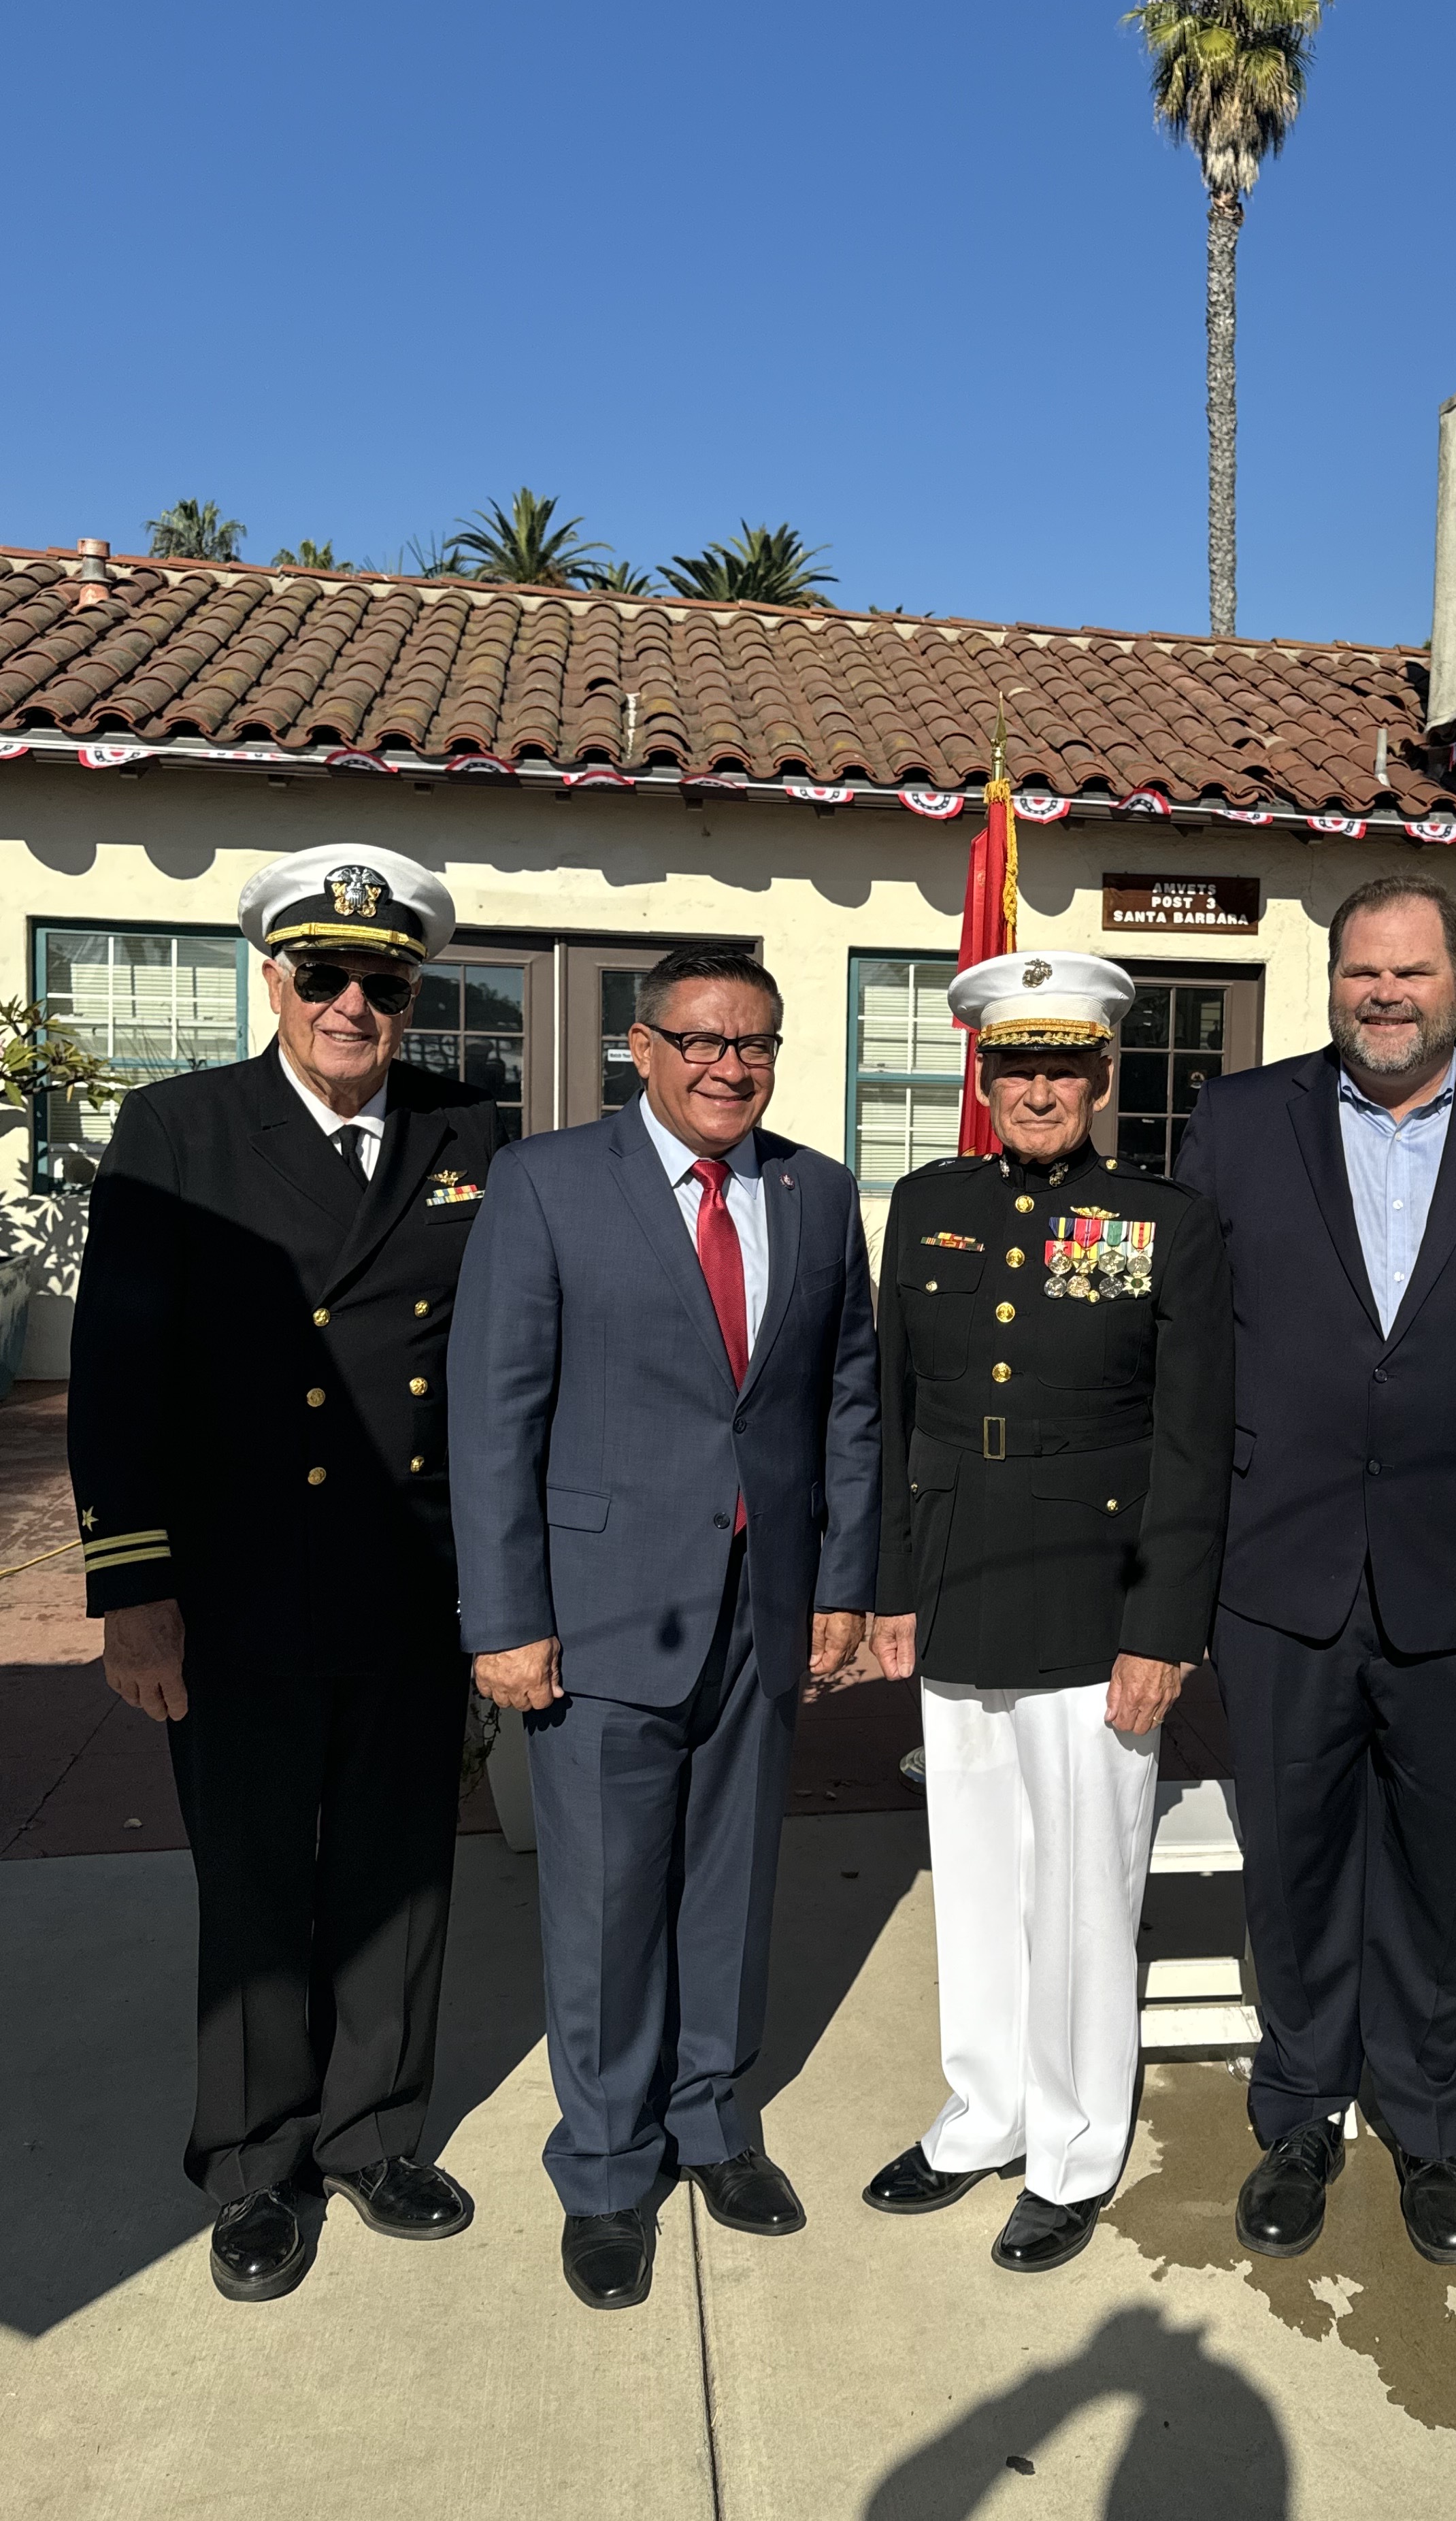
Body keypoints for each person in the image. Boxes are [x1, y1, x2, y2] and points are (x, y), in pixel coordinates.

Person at [68, 843, 500, 2303]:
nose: (354, 1004)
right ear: (275, 978)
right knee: (255, 1886)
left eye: (384, 981)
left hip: (409, 1584)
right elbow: (116, 1375)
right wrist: (135, 1591)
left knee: (398, 1875)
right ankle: (255, 2165)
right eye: (325, 975)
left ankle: (377, 2133)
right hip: (238, 1591)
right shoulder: (183, 1128)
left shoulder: (468, 1131)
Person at [1177, 874, 1456, 2267]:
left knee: (1442, 1871)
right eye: (1361, 972)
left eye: (1411, 972)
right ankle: (1301, 2111)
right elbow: (1193, 1361)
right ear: (1333, 982)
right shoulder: (1240, 1121)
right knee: (1296, 1864)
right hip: (1281, 1569)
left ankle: (1429, 2126)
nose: (1384, 995)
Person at [448, 944, 879, 2311]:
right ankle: (610, 2166)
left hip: (762, 1611)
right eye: (699, 1038)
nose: (726, 1064)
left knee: (730, 1888)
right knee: (602, 1908)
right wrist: (506, 1617)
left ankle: (709, 2120)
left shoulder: (815, 1190)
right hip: (597, 1613)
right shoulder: (547, 1183)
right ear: (642, 1047)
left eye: (752, 1041)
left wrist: (842, 1585)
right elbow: (495, 1413)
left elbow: (847, 1403)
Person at [862, 951, 1233, 2275]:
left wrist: (1165, 1630)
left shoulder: (1163, 1223)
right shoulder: (926, 1205)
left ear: (1102, 1075)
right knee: (976, 1876)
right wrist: (891, 1594)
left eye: (1062, 1065)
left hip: (1100, 1603)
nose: (1038, 1088)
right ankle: (986, 2110)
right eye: (1015, 1065)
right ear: (983, 1074)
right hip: (960, 1585)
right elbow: (898, 1412)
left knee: (1083, 1891)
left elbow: (1195, 1447)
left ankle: (1074, 2146)